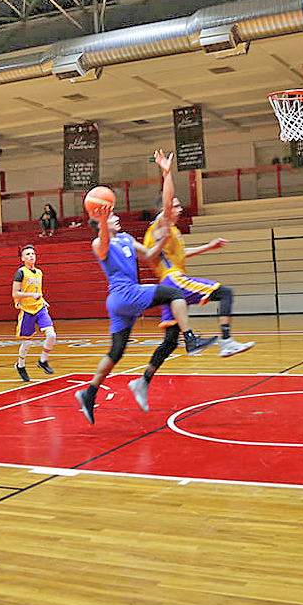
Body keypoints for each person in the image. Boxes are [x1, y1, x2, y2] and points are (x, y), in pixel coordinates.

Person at [74, 150, 218, 425]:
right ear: (99, 222)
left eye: (113, 215)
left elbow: (151, 256)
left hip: (122, 302)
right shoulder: (100, 243)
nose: (115, 216)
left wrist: (162, 241)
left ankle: (89, 394)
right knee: (174, 291)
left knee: (116, 351)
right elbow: (103, 244)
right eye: (109, 216)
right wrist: (103, 223)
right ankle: (190, 339)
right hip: (124, 294)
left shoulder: (127, 239)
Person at [128, 166, 255, 403]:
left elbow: (182, 253)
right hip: (173, 279)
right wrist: (167, 175)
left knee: (170, 340)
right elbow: (166, 205)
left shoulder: (173, 231)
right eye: (175, 205)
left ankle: (142, 381)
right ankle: (226, 341)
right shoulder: (160, 225)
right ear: (164, 209)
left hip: (170, 286)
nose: (179, 208)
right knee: (225, 293)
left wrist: (209, 246)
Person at [12, 244, 56, 381]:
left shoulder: (39, 273)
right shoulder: (21, 272)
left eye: (33, 254)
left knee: (51, 335)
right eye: (28, 254)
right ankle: (20, 365)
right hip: (27, 310)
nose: (31, 256)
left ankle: (43, 361)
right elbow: (15, 294)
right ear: (23, 259)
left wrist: (43, 300)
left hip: (40, 308)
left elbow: (38, 292)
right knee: (27, 342)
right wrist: (31, 295)